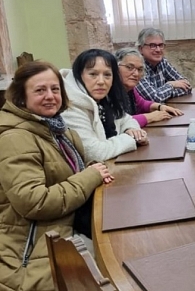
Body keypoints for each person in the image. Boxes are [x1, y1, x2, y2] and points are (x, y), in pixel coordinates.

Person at [0, 61, 113, 291]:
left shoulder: (60, 131)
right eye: (40, 90)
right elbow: (35, 202)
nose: (50, 96)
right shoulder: (15, 138)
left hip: (64, 229)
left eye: (55, 89)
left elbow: (66, 174)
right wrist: (89, 177)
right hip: (31, 253)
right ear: (21, 98)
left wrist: (92, 169)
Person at [61, 49, 148, 162]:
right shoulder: (70, 107)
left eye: (107, 75)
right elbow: (94, 153)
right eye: (93, 74)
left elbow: (126, 119)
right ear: (79, 75)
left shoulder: (103, 99)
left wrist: (132, 129)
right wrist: (131, 139)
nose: (101, 81)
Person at [115, 47, 183, 127]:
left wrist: (160, 107)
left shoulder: (130, 89)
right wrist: (149, 117)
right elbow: (118, 123)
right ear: (115, 67)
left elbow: (142, 103)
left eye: (140, 69)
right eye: (130, 67)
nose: (136, 74)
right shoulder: (110, 91)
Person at [135, 27, 192, 102]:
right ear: (140, 48)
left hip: (162, 110)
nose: (158, 50)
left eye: (161, 45)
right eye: (153, 46)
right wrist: (171, 85)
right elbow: (154, 98)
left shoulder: (163, 62)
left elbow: (187, 86)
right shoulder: (137, 67)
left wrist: (163, 94)